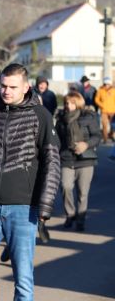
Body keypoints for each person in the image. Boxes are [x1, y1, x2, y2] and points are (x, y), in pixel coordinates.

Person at [0, 63, 61, 301]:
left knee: (23, 274)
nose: (6, 91)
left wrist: (45, 205)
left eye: (13, 87)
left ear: (26, 87)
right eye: (4, 85)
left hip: (23, 206)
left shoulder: (41, 115)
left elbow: (52, 162)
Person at [55, 91, 100, 232]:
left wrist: (86, 145)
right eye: (67, 103)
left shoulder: (89, 117)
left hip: (85, 160)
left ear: (78, 103)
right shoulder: (61, 118)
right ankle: (70, 214)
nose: (68, 105)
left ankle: (80, 220)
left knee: (82, 193)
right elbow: (56, 139)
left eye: (72, 103)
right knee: (65, 186)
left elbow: (96, 136)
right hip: (66, 158)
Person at [94, 76, 115, 143]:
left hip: (113, 111)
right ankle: (105, 139)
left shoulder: (114, 90)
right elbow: (96, 99)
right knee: (104, 125)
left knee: (113, 125)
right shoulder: (100, 90)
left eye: (108, 84)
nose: (107, 85)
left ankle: (112, 135)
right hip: (104, 111)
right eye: (105, 83)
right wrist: (101, 105)